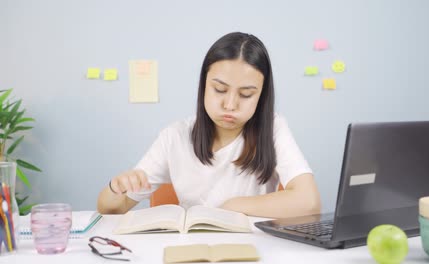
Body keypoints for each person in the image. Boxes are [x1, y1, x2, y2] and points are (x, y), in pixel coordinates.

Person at [97, 32, 321, 218]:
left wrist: (231, 208)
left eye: (246, 94)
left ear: (261, 97)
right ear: (204, 86)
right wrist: (116, 188)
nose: (230, 104)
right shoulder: (175, 136)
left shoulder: (273, 128)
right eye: (220, 90)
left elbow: (309, 202)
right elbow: (110, 208)